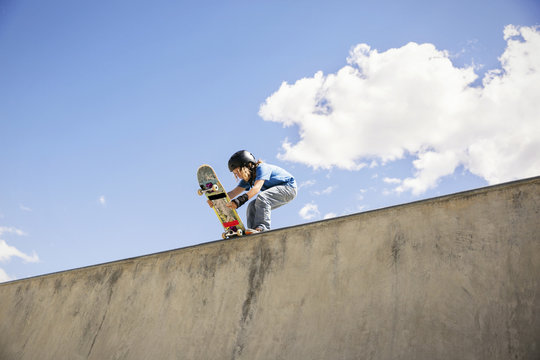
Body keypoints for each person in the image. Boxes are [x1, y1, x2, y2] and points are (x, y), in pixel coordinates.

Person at [208, 150, 297, 234]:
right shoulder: (248, 179)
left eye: (238, 171)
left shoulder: (262, 168)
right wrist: (216, 200)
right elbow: (233, 193)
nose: (238, 176)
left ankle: (262, 228)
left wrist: (238, 201)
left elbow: (256, 189)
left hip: (289, 188)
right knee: (252, 206)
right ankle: (253, 231)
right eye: (235, 174)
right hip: (279, 193)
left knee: (262, 197)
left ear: (247, 165)